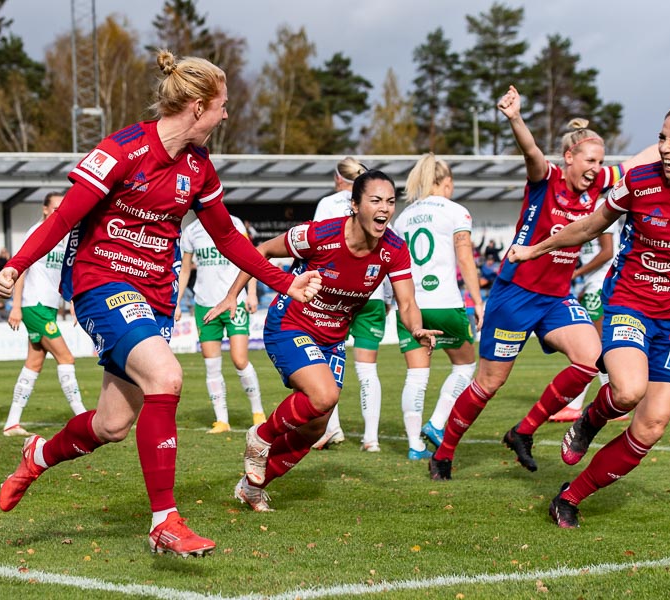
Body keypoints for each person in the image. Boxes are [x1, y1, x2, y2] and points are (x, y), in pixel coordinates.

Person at [0, 49, 321, 557]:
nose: (227, 114)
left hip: (155, 298)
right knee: (167, 377)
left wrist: (283, 282)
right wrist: (15, 265)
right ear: (196, 105)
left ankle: (37, 454)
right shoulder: (122, 148)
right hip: (101, 284)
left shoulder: (199, 166)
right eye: (223, 104)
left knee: (111, 425)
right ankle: (164, 521)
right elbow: (61, 220)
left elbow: (230, 240)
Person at [508, 103, 670, 527]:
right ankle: (590, 420)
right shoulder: (639, 182)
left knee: (650, 427)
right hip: (630, 303)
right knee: (627, 390)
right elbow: (589, 226)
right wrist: (534, 249)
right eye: (662, 138)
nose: (663, 148)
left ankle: (569, 497)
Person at [429, 85, 657, 480]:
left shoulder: (598, 183)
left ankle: (523, 431)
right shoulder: (546, 178)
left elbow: (638, 161)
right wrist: (515, 118)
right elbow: (531, 152)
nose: (595, 168)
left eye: (599, 162)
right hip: (515, 294)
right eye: (588, 160)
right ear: (568, 157)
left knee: (590, 359)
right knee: (489, 383)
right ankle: (444, 453)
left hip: (556, 298)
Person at [205, 170, 439, 512]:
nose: (385, 209)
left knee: (316, 426)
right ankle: (261, 436)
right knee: (325, 394)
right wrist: (232, 295)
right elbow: (263, 251)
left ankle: (252, 487)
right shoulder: (320, 235)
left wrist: (416, 328)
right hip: (290, 324)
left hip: (331, 340)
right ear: (355, 205)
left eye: (390, 202)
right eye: (375, 200)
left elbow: (407, 303)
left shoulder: (394, 249)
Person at [392, 154, 483, 460]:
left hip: (410, 305)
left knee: (416, 376)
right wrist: (478, 301)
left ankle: (415, 446)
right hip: (445, 302)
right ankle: (437, 422)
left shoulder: (403, 217)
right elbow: (465, 258)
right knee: (465, 364)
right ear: (446, 183)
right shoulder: (456, 212)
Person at [311, 156, 391, 453]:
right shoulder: (377, 203)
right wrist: (390, 298)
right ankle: (371, 439)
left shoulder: (328, 204)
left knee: (327, 363)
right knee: (367, 369)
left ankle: (331, 429)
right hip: (373, 293)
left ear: (337, 178)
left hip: (336, 295)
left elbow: (315, 247)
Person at [3, 192, 86, 437]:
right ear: (45, 209)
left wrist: (72, 301)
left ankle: (12, 423)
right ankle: (81, 415)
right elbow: (21, 268)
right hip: (34, 305)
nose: (61, 211)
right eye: (56, 207)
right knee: (66, 357)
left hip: (47, 306)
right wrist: (16, 306)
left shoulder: (65, 236)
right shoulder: (37, 232)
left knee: (34, 363)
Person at [175, 213, 266, 434]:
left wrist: (252, 293)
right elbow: (185, 270)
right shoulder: (190, 231)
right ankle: (222, 420)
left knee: (239, 359)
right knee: (211, 364)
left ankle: (258, 413)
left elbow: (250, 259)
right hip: (205, 304)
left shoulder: (234, 223)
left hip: (234, 301)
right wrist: (176, 302)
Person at [549, 202, 619, 422]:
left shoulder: (601, 206)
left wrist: (576, 273)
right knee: (598, 347)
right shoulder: (583, 208)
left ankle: (582, 404)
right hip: (592, 285)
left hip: (600, 284)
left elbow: (608, 252)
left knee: (594, 348)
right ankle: (613, 402)